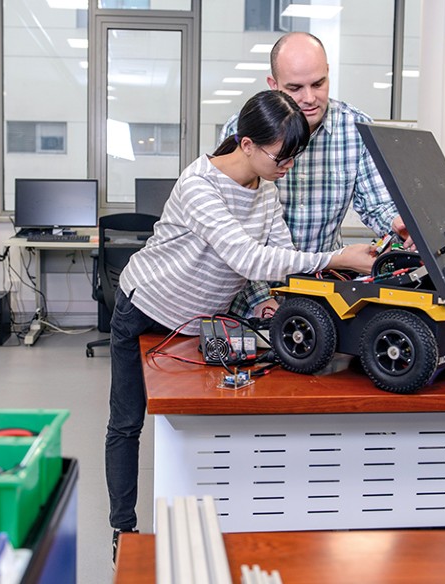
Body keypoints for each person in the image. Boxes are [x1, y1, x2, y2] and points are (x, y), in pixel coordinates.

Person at [105, 89, 374, 562]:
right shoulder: (198, 185)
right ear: (246, 144)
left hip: (197, 320)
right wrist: (336, 255)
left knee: (188, 423)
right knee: (127, 423)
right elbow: (246, 255)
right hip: (144, 306)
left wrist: (277, 296)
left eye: (295, 155)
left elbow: (279, 251)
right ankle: (123, 531)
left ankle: (202, 530)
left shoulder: (267, 191)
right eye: (281, 155)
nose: (287, 165)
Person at [220, 31, 412, 318]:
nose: (309, 98)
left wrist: (398, 224)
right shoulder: (244, 131)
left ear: (328, 74)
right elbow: (232, 238)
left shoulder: (355, 129)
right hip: (254, 291)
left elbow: (378, 204)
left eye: (318, 84)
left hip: (323, 284)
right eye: (295, 88)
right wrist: (261, 299)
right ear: (273, 85)